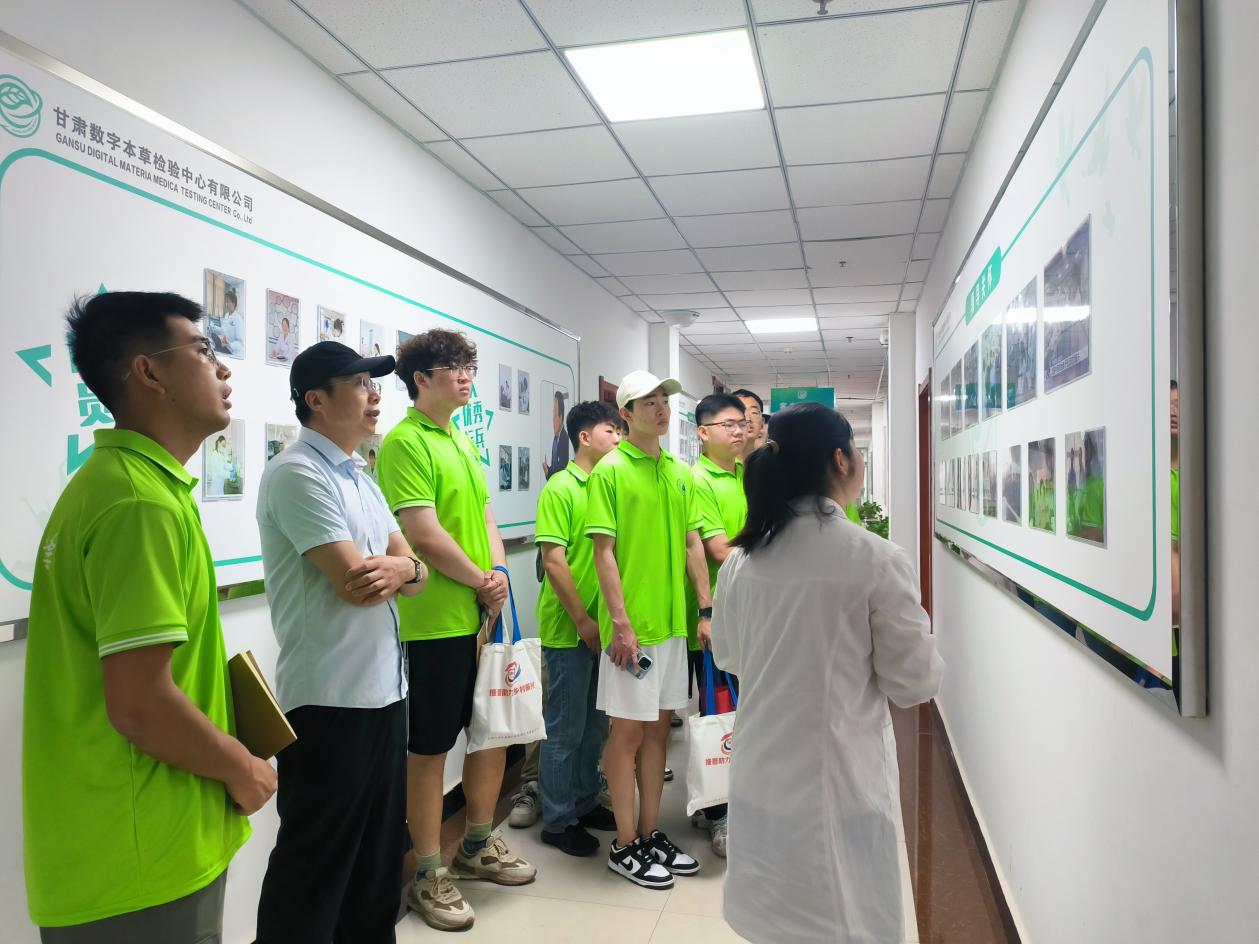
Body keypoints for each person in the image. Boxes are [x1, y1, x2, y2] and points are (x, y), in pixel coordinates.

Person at [22, 292, 275, 941]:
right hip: (141, 852)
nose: (222, 368)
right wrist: (241, 766)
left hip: (122, 840)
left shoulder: (121, 485)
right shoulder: (138, 504)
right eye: (203, 350)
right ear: (149, 371)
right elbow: (139, 704)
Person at [712, 403, 944, 944]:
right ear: (841, 460)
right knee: (845, 918)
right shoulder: (874, 558)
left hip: (761, 774)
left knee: (773, 920)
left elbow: (728, 655)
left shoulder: (743, 561)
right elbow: (914, 683)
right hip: (839, 783)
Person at [254, 342, 426, 943]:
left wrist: (406, 569)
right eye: (358, 384)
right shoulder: (297, 472)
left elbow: (411, 572)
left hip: (385, 693)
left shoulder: (360, 475)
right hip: (329, 702)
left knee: (378, 862)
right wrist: (403, 570)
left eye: (373, 384)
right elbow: (359, 585)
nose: (374, 396)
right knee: (316, 864)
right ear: (317, 400)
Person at [378, 329, 535, 932]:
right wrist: (479, 581)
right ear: (420, 378)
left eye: (469, 366)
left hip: (482, 616)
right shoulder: (405, 442)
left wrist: (497, 575)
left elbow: (486, 517)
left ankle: (475, 845)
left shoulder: (460, 440)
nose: (466, 376)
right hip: (434, 624)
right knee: (429, 751)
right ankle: (426, 872)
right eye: (453, 367)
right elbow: (422, 532)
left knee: (491, 735)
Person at [587, 370, 711, 889]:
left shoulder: (679, 472)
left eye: (664, 400)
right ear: (626, 413)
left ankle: (650, 832)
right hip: (631, 632)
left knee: (660, 729)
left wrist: (704, 607)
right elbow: (604, 553)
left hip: (672, 627)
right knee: (628, 733)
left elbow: (692, 543)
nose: (661, 408)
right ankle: (624, 843)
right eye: (649, 401)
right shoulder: (610, 471)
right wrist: (620, 623)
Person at [535, 401, 622, 856]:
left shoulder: (608, 485)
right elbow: (554, 561)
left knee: (595, 724)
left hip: (601, 628)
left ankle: (585, 801)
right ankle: (557, 819)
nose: (619, 438)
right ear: (585, 437)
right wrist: (584, 621)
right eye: (611, 430)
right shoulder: (561, 488)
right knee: (565, 728)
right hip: (570, 628)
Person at [686, 392, 748, 857]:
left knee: (749, 714)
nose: (740, 430)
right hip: (716, 620)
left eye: (743, 422)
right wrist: (705, 612)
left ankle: (746, 802)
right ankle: (718, 813)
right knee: (718, 713)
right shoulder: (699, 480)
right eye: (729, 424)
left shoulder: (747, 473)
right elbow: (718, 549)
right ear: (703, 433)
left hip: (752, 616)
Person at [732, 388, 766, 457]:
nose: (747, 419)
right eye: (740, 411)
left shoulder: (771, 462)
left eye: (754, 412)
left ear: (762, 423)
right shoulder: (714, 461)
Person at [214, 288, 244, 358]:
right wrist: (214, 328)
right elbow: (223, 330)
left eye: (228, 302)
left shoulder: (238, 319)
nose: (226, 304)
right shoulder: (226, 315)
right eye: (225, 302)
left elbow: (240, 342)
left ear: (233, 303)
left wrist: (230, 344)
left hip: (233, 352)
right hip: (224, 346)